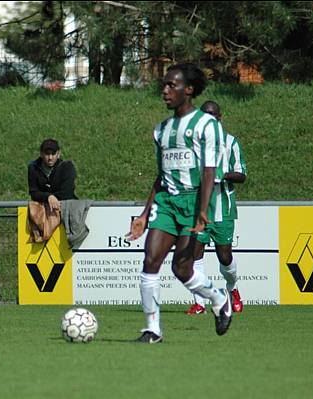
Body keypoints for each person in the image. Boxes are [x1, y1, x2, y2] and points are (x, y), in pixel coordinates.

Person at [126, 63, 232, 344]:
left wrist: (202, 211)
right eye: (164, 84)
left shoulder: (206, 125)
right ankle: (152, 329)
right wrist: (144, 214)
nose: (165, 90)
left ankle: (218, 298)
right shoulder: (161, 130)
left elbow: (209, 171)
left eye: (172, 85)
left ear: (189, 90)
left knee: (182, 269)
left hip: (195, 201)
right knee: (150, 260)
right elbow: (160, 176)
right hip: (168, 202)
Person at [185, 100, 247, 315]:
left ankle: (233, 289)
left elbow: (241, 175)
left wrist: (221, 175)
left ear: (220, 117)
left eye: (213, 115)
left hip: (223, 210)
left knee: (225, 257)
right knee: (195, 256)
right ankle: (200, 303)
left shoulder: (230, 142)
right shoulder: (192, 144)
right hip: (198, 209)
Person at [28, 138, 77, 211]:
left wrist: (51, 197)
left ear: (58, 154)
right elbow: (33, 192)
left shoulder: (67, 167)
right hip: (43, 212)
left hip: (66, 209)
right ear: (41, 154)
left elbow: (67, 192)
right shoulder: (33, 167)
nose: (50, 158)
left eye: (53, 154)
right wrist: (48, 197)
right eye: (47, 154)